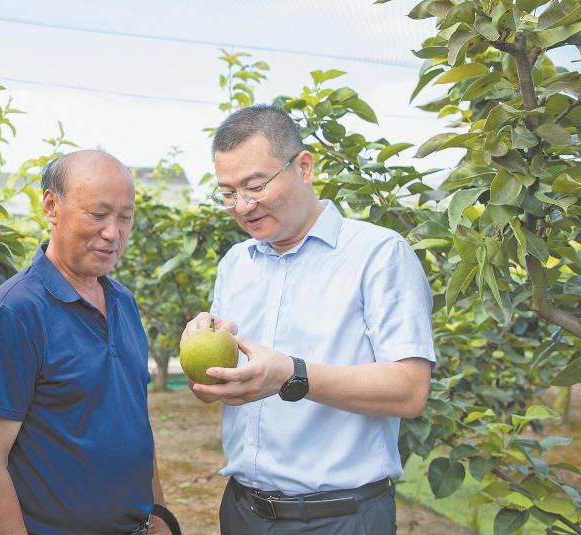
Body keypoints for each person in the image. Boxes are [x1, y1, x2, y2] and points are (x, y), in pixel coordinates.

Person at [182, 105, 436, 534]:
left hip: (338, 518)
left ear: (304, 166)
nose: (242, 206)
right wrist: (206, 372)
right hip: (243, 511)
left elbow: (409, 391)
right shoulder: (236, 263)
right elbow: (229, 387)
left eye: (255, 186)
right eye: (228, 193)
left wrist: (292, 374)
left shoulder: (378, 255)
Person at [0, 150, 170, 535]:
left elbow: (134, 429)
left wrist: (161, 521)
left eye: (125, 217)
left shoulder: (123, 302)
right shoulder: (14, 314)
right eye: (98, 214)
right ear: (52, 206)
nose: (114, 233)